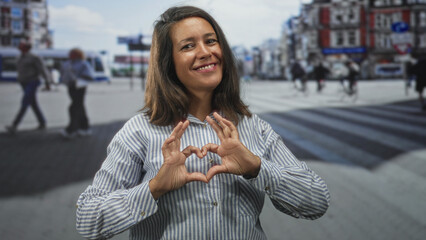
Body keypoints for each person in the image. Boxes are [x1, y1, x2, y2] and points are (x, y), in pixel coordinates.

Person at [76, 6, 330, 240]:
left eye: (211, 41)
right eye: (188, 46)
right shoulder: (140, 131)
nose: (205, 52)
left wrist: (256, 168)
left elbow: (317, 201)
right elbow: (88, 220)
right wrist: (154, 188)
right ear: (168, 63)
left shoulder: (254, 126)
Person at [5, 40, 52, 134]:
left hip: (33, 81)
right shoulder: (19, 57)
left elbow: (42, 69)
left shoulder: (34, 57)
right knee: (33, 103)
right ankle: (42, 122)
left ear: (26, 47)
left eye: (20, 45)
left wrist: (47, 82)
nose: (18, 46)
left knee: (25, 102)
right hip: (23, 82)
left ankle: (14, 125)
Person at [59, 48, 95, 138]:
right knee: (80, 107)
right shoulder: (67, 63)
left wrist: (77, 76)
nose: (70, 55)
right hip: (71, 87)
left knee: (73, 108)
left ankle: (71, 129)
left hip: (80, 87)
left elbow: (90, 75)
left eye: (72, 53)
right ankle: (84, 128)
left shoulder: (83, 64)